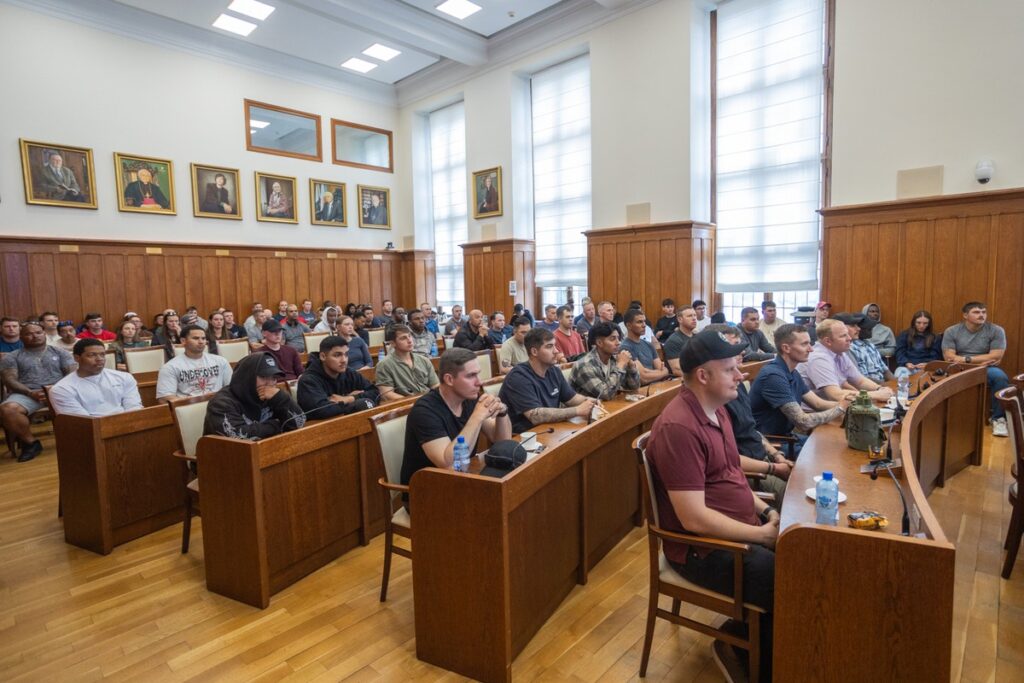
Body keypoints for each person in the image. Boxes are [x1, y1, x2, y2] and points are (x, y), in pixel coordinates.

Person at [644, 328, 778, 678]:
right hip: (703, 551)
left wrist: (767, 511)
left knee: (806, 554)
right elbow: (694, 520)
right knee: (791, 579)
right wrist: (763, 535)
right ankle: (741, 652)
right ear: (703, 376)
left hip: (741, 532)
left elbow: (731, 473)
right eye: (730, 369)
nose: (741, 375)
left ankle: (752, 638)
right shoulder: (679, 427)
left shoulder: (718, 410)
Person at [401, 348, 511, 501]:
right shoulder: (424, 411)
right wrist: (477, 417)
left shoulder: (470, 399)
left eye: (478, 374)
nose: (479, 382)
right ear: (449, 379)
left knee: (511, 488)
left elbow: (502, 441)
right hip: (425, 494)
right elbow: (449, 465)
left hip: (461, 482)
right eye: (471, 376)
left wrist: (502, 413)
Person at [709, 324, 792, 502]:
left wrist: (776, 455)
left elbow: (751, 430)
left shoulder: (737, 386)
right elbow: (726, 460)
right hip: (746, 471)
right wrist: (773, 468)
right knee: (795, 496)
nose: (742, 353)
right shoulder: (716, 399)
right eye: (733, 348)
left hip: (762, 458)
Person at [498, 328, 597, 433]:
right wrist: (577, 410)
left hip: (549, 429)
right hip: (524, 436)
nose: (556, 351)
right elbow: (535, 415)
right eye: (549, 346)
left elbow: (571, 398)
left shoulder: (554, 370)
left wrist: (588, 401)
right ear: (534, 351)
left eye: (555, 346)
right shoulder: (518, 377)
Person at [0, 322, 75, 461]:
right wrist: (30, 393)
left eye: (38, 333)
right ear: (21, 337)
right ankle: (31, 443)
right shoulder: (12, 356)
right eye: (29, 334)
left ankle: (77, 440)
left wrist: (55, 390)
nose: (34, 336)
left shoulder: (60, 352)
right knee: (7, 410)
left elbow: (72, 375)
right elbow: (9, 380)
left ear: (44, 334)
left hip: (59, 391)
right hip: (27, 393)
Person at [942, 301, 1010, 437]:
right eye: (976, 312)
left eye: (984, 312)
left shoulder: (996, 330)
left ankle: (998, 419)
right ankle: (947, 419)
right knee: (940, 377)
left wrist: (966, 359)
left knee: (1000, 377)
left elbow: (996, 356)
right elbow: (949, 357)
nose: (981, 315)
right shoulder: (952, 331)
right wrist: (975, 361)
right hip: (959, 368)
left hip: (986, 368)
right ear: (965, 315)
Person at [203, 352, 305, 439]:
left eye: (274, 378)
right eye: (264, 377)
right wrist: (278, 425)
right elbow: (237, 436)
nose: (270, 383)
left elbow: (299, 423)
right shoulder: (221, 403)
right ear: (248, 377)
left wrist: (282, 398)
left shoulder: (273, 396)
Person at [798, 319, 893, 403]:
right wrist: (876, 395)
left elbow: (860, 381)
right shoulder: (819, 359)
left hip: (834, 408)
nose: (849, 338)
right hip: (816, 413)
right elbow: (835, 395)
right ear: (828, 341)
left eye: (847, 334)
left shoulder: (839, 353)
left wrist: (880, 389)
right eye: (843, 336)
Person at [49, 338, 143, 417]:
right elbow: (83, 422)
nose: (99, 359)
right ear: (77, 358)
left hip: (128, 425)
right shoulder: (62, 389)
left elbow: (134, 407)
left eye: (102, 354)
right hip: (92, 430)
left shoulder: (124, 377)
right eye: (92, 355)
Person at [297, 336, 379, 418]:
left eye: (346, 354)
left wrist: (349, 398)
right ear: (323, 356)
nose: (344, 360)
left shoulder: (350, 373)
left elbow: (376, 393)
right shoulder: (308, 380)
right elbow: (322, 410)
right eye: (337, 355)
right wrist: (356, 402)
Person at [155, 325, 232, 403]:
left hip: (219, 405)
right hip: (188, 407)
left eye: (203, 338)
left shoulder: (221, 361)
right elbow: (165, 398)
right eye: (196, 338)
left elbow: (231, 388)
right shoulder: (170, 367)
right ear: (183, 341)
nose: (201, 342)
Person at [570, 322, 640, 400]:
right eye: (613, 339)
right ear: (599, 343)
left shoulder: (615, 359)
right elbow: (605, 394)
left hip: (610, 404)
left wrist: (631, 366)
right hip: (589, 406)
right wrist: (620, 365)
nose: (618, 342)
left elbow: (634, 387)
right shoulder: (584, 365)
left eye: (618, 338)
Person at [375, 325, 439, 401]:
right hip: (405, 404)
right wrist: (416, 402)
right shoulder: (384, 365)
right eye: (403, 338)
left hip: (429, 400)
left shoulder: (424, 360)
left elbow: (435, 385)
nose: (409, 340)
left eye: (410, 336)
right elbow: (387, 394)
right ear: (393, 343)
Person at [840, 313, 894, 384]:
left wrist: (895, 383)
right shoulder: (850, 348)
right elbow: (860, 378)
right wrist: (883, 385)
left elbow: (885, 370)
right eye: (868, 328)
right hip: (867, 386)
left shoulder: (870, 345)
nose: (871, 330)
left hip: (882, 384)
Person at [619, 308, 669, 384]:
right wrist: (663, 372)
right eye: (639, 322)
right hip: (641, 389)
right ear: (629, 325)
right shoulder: (625, 347)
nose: (644, 325)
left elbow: (660, 368)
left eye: (644, 321)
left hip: (656, 386)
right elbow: (643, 377)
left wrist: (651, 372)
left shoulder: (648, 344)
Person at [664, 306, 698, 377]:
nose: (694, 318)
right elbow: (677, 370)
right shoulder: (673, 341)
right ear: (680, 319)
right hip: (686, 379)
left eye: (695, 315)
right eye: (689, 316)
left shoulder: (698, 337)